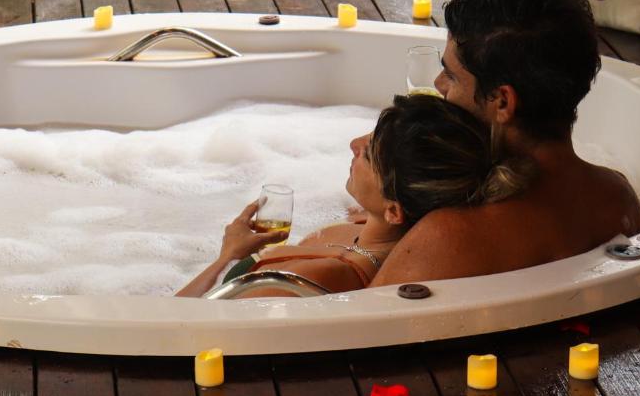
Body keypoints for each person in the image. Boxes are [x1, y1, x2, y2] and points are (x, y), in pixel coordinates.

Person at [372, 0, 640, 287]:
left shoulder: (449, 235)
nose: (439, 85)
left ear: (502, 101)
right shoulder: (618, 198)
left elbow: (358, 327)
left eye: (451, 76)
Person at [176, 94, 526, 297]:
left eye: (369, 153)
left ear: (394, 211)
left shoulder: (324, 277)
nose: (353, 144)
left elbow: (180, 327)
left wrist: (225, 259)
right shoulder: (363, 226)